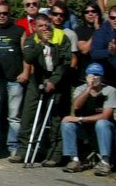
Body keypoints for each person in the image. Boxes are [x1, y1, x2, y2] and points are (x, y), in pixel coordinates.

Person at [11, 12, 72, 165]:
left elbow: (65, 62)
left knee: (56, 118)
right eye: (41, 26)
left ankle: (55, 154)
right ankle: (24, 150)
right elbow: (28, 58)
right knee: (29, 115)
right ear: (34, 27)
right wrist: (41, 45)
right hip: (37, 79)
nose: (45, 29)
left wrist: (54, 80)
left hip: (58, 82)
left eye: (47, 25)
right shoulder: (32, 40)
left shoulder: (61, 37)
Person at [60, 63, 116, 174]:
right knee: (67, 124)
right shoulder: (80, 89)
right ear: (86, 76)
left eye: (97, 75)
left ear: (102, 77)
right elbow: (76, 106)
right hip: (84, 128)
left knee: (102, 123)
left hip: (104, 128)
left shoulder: (110, 91)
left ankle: (105, 162)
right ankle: (74, 160)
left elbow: (105, 115)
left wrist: (79, 119)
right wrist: (88, 89)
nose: (94, 78)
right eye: (91, 75)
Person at [0, 1, 27, 156]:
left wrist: (25, 72)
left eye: (5, 13)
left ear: (10, 14)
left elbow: (26, 54)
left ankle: (13, 147)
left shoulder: (19, 30)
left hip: (14, 78)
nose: (2, 16)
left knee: (14, 116)